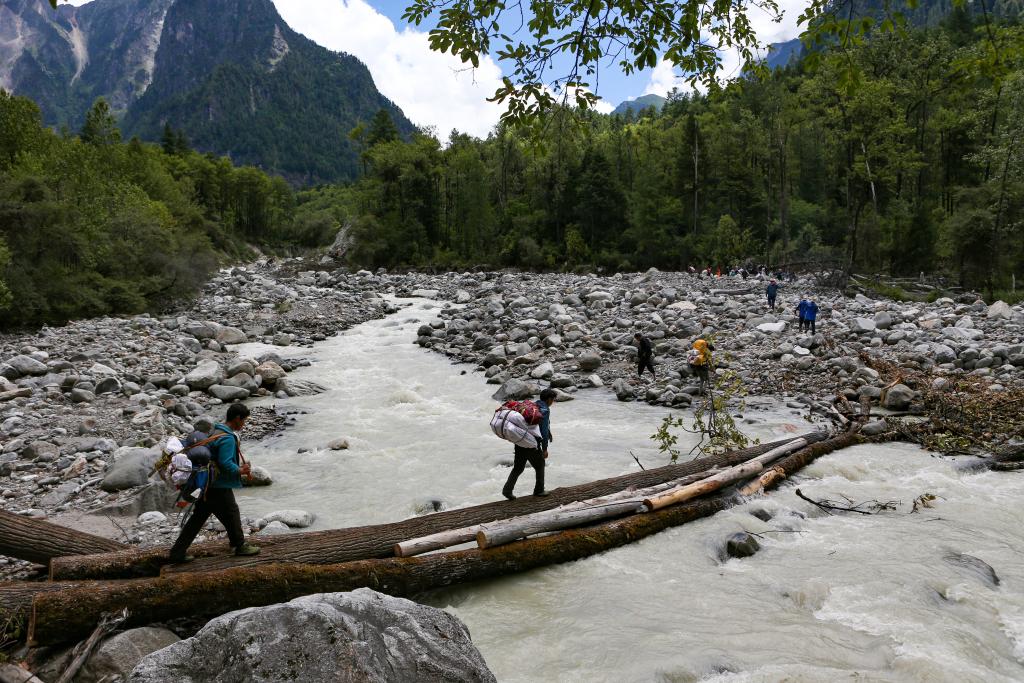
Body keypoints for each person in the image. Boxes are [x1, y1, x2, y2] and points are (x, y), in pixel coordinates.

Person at [169, 403, 261, 563]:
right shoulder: (227, 438)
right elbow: (225, 463)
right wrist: (241, 470)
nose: (244, 424)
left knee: (199, 519)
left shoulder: (215, 431)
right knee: (232, 513)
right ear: (237, 418)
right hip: (218, 485)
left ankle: (177, 553)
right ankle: (239, 546)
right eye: (244, 420)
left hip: (206, 484)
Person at [502, 389, 556, 500]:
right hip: (531, 443)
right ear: (549, 399)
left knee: (518, 467)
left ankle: (507, 490)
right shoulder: (545, 410)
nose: (553, 402)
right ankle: (539, 490)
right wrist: (544, 448)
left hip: (520, 440)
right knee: (540, 465)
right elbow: (543, 430)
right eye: (553, 399)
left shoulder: (532, 406)